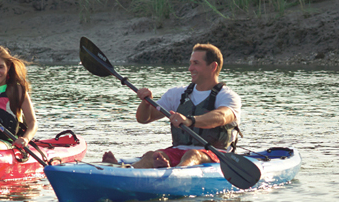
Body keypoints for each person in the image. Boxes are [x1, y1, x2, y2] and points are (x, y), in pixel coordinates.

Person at [102, 43, 241, 168]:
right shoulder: (177, 94)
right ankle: (126, 170)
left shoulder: (227, 96)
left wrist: (189, 120)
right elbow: (144, 118)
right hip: (179, 151)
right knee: (152, 155)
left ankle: (175, 174)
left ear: (213, 66)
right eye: (191, 63)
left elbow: (222, 116)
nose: (190, 68)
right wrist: (145, 103)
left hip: (217, 155)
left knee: (193, 154)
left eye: (196, 63)